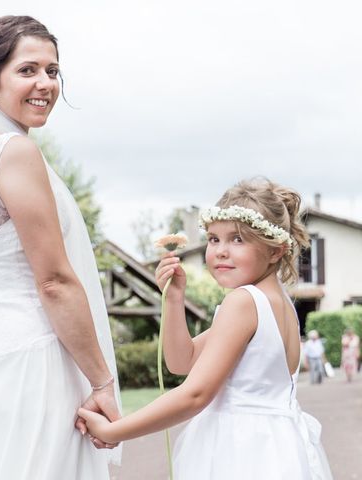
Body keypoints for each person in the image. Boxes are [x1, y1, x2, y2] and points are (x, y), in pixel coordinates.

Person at [0, 16, 121, 479]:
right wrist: (102, 381)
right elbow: (53, 280)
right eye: (28, 70)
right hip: (36, 372)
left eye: (53, 71)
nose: (45, 84)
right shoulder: (15, 152)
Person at [78, 178, 333, 479]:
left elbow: (195, 394)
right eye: (214, 239)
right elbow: (182, 361)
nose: (221, 251)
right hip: (275, 447)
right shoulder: (278, 303)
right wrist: (174, 300)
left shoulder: (244, 303)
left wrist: (115, 430)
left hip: (241, 450)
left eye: (238, 239)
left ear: (275, 251)